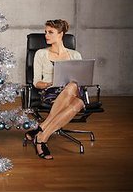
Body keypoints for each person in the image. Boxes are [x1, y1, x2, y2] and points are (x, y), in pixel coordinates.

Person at [25, 19, 84, 160]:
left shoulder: (75, 55)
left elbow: (81, 79)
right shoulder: (41, 54)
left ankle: (41, 133)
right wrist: (49, 83)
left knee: (73, 85)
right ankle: (42, 137)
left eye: (50, 32)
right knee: (78, 104)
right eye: (45, 32)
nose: (46, 35)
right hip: (51, 92)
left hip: (73, 90)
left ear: (61, 34)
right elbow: (36, 83)